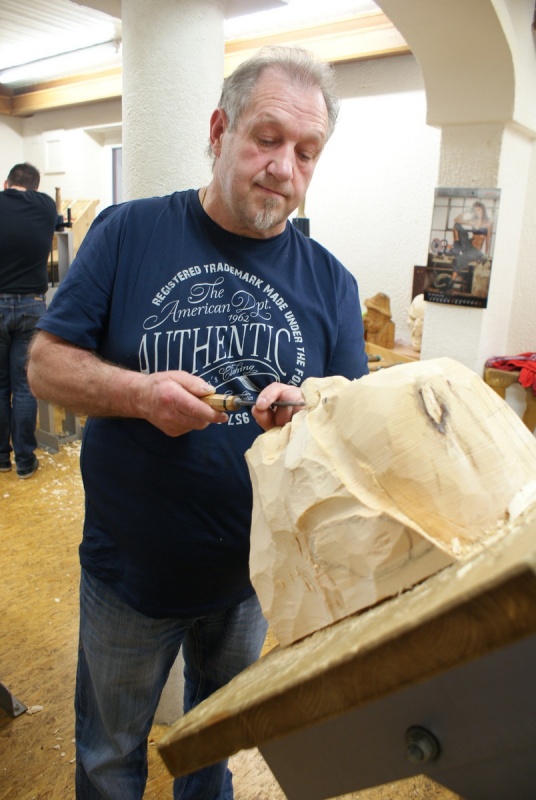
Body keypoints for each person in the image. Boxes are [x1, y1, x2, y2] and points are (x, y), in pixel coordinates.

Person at [27, 45, 369, 800]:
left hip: (251, 579)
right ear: (219, 131)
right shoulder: (128, 232)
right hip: (129, 572)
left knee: (213, 753)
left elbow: (349, 429)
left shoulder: (332, 283)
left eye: (306, 152)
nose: (283, 167)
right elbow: (46, 366)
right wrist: (140, 395)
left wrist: (308, 415)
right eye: (267, 138)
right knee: (109, 758)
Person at [0, 162, 57, 478]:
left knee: (0, 385)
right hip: (32, 304)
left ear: (6, 183)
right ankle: (25, 461)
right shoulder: (46, 206)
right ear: (35, 186)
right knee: (24, 386)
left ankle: (1, 458)